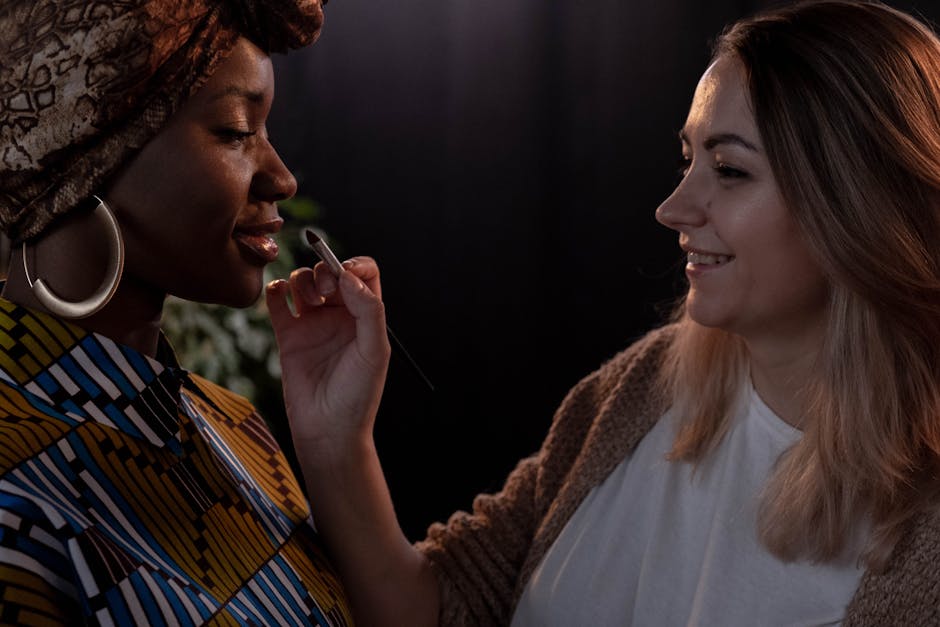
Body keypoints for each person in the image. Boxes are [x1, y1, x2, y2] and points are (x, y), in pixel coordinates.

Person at [272, 0, 940, 625]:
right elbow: (438, 606)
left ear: (859, 206)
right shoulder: (641, 389)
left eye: (730, 171)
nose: (673, 208)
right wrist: (336, 441)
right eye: (687, 159)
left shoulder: (924, 541)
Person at [0, 1, 390, 624]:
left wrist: (337, 445)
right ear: (81, 155)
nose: (283, 178)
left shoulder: (238, 428)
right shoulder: (14, 500)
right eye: (238, 131)